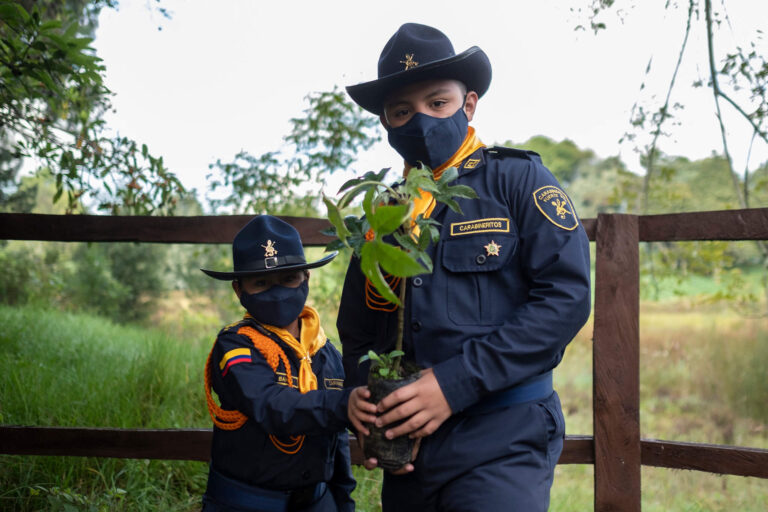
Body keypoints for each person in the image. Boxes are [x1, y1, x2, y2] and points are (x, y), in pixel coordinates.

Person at [338, 23, 591, 511]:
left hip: (505, 435)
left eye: (438, 104)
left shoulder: (519, 181)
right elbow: (359, 329)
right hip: (411, 451)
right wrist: (361, 401)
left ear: (469, 104)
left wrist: (454, 386)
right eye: (402, 111)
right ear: (387, 123)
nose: (422, 121)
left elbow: (566, 299)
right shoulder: (383, 213)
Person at [201, 215, 356, 512]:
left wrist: (343, 503)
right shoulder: (235, 347)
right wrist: (345, 405)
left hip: (319, 503)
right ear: (239, 290)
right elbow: (271, 405)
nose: (277, 292)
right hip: (246, 504)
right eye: (261, 282)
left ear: (306, 279)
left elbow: (337, 443)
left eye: (288, 279)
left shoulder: (326, 353)